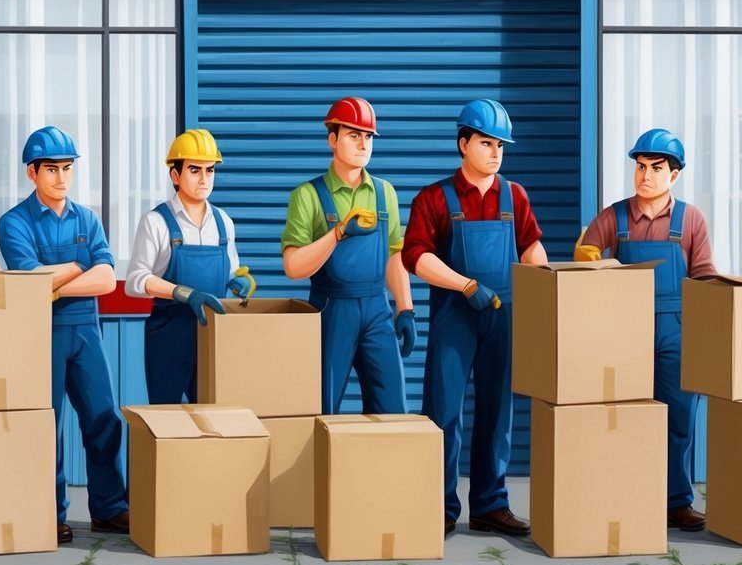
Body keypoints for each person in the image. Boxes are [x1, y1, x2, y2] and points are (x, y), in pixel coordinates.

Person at [403, 98, 547, 538]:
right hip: (455, 317)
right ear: (463, 143)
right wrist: (465, 285)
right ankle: (441, 506)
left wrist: (546, 292)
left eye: (500, 145)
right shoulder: (434, 198)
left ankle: (490, 505)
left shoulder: (514, 196)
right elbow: (416, 258)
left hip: (504, 317)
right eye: (486, 143)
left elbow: (531, 250)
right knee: (443, 412)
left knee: (497, 411)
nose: (496, 152)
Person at [574, 128, 716, 532]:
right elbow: (584, 258)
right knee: (627, 417)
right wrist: (587, 256)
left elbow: (705, 277)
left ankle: (677, 502)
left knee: (679, 416)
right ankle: (628, 495)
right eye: (640, 167)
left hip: (677, 326)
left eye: (656, 168)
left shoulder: (691, 220)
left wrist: (711, 335)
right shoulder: (613, 217)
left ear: (674, 175)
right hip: (625, 331)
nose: (645, 175)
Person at [0, 126, 129, 545]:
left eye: (67, 168)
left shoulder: (87, 219)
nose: (61, 177)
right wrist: (76, 268)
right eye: (51, 169)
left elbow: (107, 278)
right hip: (41, 335)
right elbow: (26, 279)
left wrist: (55, 285)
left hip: (86, 331)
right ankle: (49, 513)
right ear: (32, 173)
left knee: (104, 419)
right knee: (44, 425)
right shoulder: (14, 222)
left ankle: (110, 508)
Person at [280, 97, 415, 415]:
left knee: (393, 410)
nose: (363, 144)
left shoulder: (385, 193)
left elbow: (395, 256)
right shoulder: (308, 195)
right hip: (330, 310)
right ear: (332, 139)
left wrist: (405, 309)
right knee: (321, 410)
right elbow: (293, 266)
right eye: (354, 135)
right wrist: (337, 233)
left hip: (377, 309)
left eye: (368, 136)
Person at [125, 128, 256, 404]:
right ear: (175, 175)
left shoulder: (224, 223)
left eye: (210, 171)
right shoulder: (156, 222)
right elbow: (136, 281)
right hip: (169, 335)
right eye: (195, 170)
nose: (204, 179)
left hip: (213, 334)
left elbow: (232, 271)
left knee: (215, 415)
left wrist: (239, 283)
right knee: (166, 419)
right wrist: (185, 293)